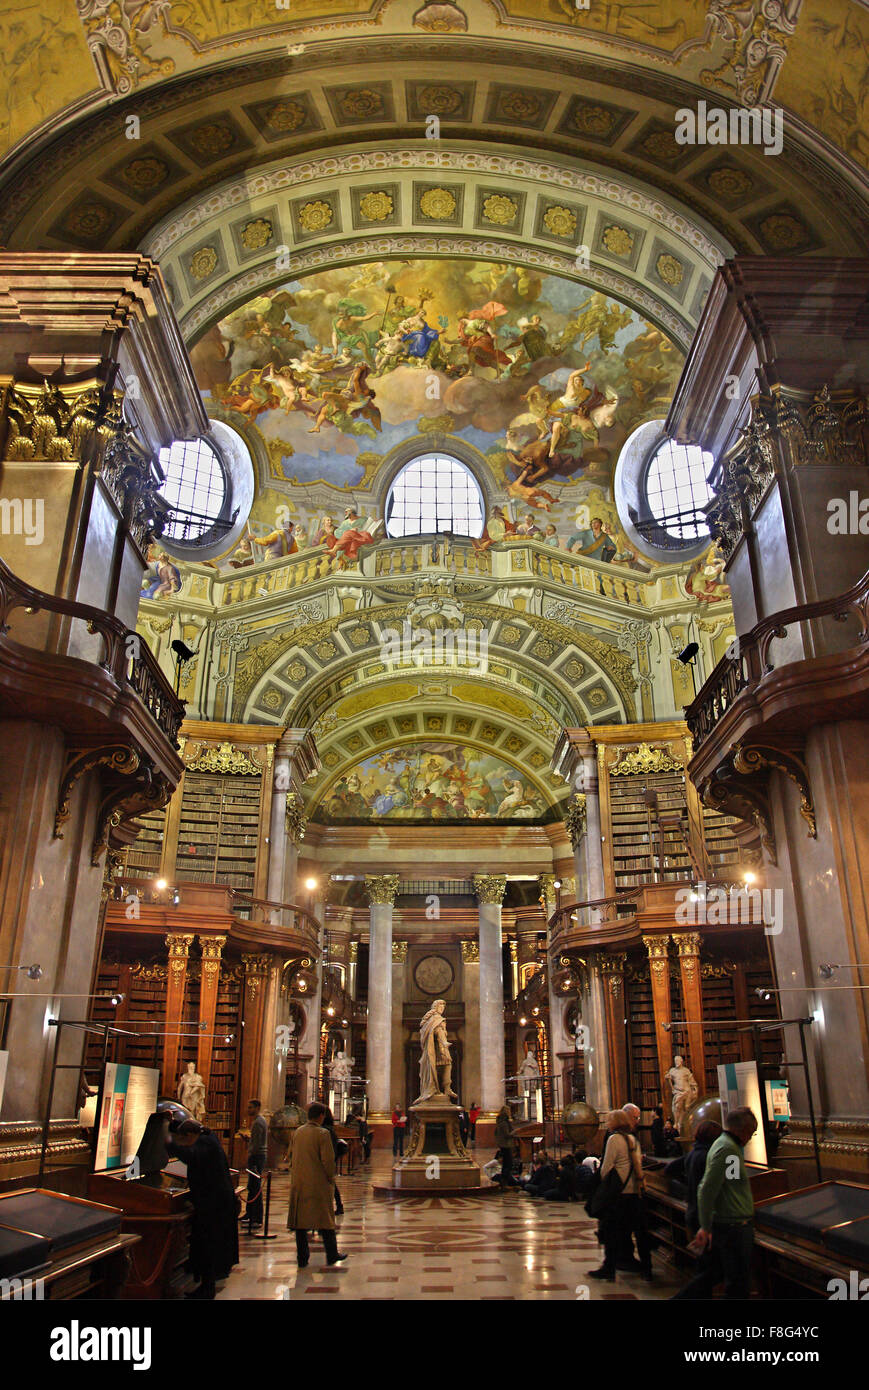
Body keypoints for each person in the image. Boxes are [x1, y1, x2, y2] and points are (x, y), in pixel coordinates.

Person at [672, 1107, 758, 1301]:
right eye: (751, 1133)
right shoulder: (727, 1149)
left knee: (716, 1275)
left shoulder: (726, 1146)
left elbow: (731, 1184)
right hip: (732, 1226)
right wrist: (705, 1226)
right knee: (736, 1283)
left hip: (731, 1223)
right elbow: (707, 1188)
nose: (750, 1138)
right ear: (743, 1131)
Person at [166, 1118, 239, 1300]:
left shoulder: (205, 1142)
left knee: (210, 1247)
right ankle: (205, 1285)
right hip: (213, 1203)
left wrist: (169, 1144)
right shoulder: (208, 1138)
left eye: (183, 1141)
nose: (184, 1145)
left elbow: (192, 1156)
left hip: (215, 1206)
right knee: (206, 1247)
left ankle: (207, 1288)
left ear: (189, 1135)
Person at [587, 1109, 652, 1284]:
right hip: (635, 1192)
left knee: (611, 1232)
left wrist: (602, 1186)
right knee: (639, 1233)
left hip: (619, 1195)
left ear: (614, 1122)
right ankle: (647, 1269)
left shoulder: (614, 1139)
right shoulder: (633, 1139)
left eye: (609, 1121)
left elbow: (606, 1167)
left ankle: (609, 1268)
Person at [287, 1102, 348, 1268]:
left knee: (300, 1223)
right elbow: (328, 1161)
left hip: (299, 1182)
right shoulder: (323, 1134)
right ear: (321, 1116)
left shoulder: (297, 1132)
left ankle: (302, 1258)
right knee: (325, 1220)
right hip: (318, 1182)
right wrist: (330, 1178)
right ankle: (332, 1254)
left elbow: (290, 1155)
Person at [238, 1098, 268, 1228]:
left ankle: (256, 1217)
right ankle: (250, 1214)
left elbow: (256, 1144)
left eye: (250, 1107)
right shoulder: (259, 1121)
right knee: (252, 1186)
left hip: (256, 1156)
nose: (248, 1110)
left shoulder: (258, 1122)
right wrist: (248, 1140)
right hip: (258, 1155)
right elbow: (256, 1140)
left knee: (255, 1187)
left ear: (257, 1108)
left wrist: (250, 1153)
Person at [321, 1106, 346, 1216]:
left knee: (329, 1184)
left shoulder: (326, 1130)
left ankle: (332, 1206)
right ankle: (338, 1205)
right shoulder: (329, 1129)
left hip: (326, 1160)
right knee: (331, 1183)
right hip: (330, 1160)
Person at [493, 1105, 519, 1188]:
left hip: (504, 1145)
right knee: (508, 1164)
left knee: (507, 1164)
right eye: (509, 1111)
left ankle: (506, 1181)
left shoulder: (502, 1121)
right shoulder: (503, 1123)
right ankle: (505, 1181)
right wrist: (514, 1132)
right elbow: (507, 1134)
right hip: (505, 1145)